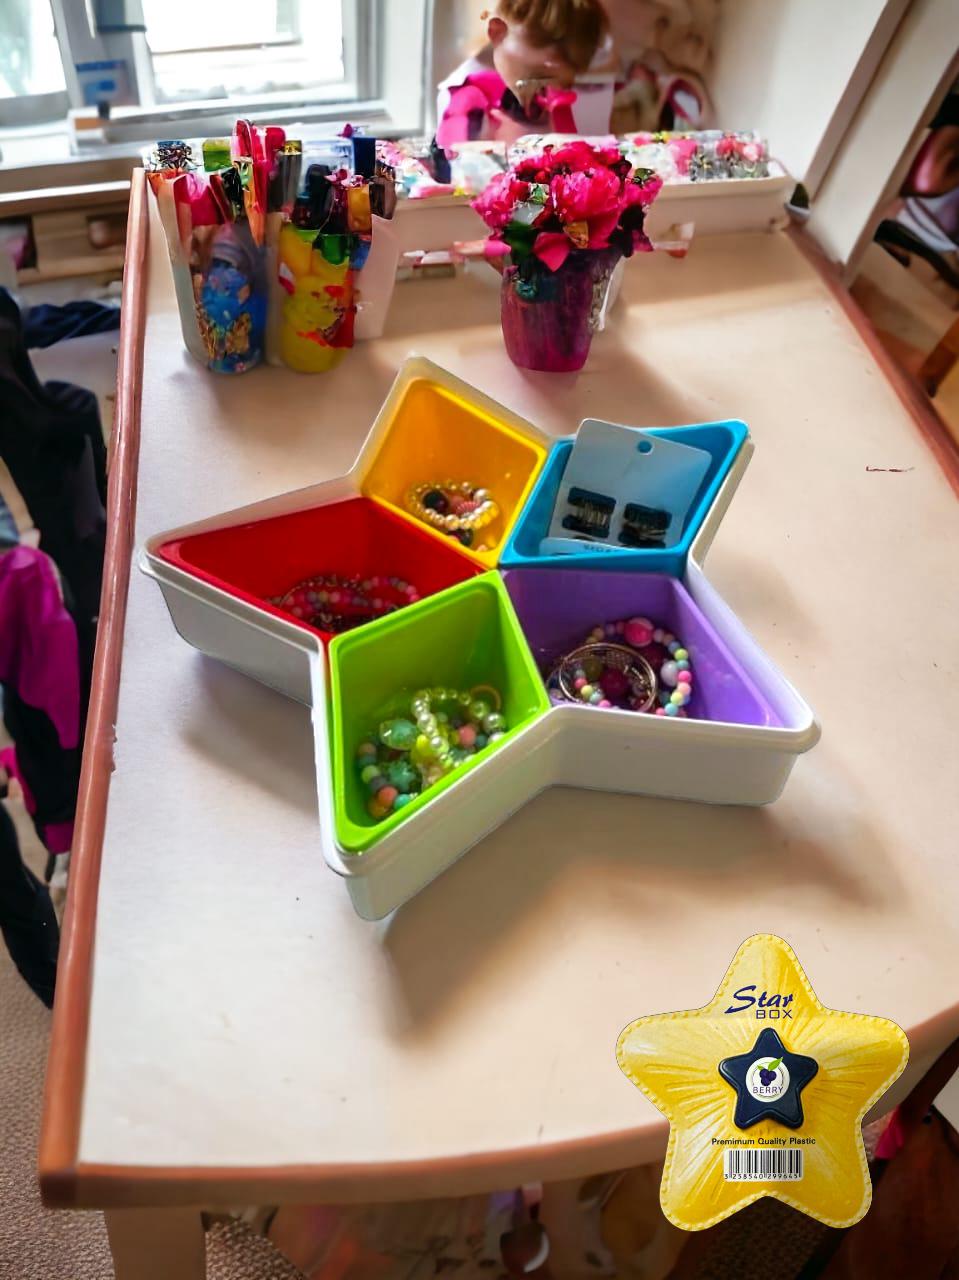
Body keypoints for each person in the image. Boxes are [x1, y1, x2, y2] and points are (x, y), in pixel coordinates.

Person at [436, 0, 613, 147]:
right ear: (497, 32)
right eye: (536, 75)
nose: (544, 93)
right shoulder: (460, 96)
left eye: (564, 85)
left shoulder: (560, 95)